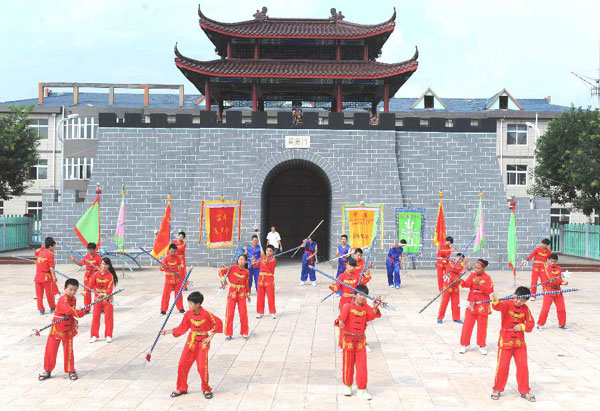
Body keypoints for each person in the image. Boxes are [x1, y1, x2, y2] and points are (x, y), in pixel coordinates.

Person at [161, 291, 223, 399]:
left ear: (198, 304)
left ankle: (206, 388)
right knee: (182, 364)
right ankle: (181, 388)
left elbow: (218, 323)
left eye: (190, 303)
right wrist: (169, 331)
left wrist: (210, 337)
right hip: (191, 342)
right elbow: (182, 327)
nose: (188, 305)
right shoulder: (188, 314)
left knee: (201, 367)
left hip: (202, 343)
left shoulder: (207, 314)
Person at [335, 284, 382, 401]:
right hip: (349, 340)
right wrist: (341, 322)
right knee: (348, 363)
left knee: (362, 366)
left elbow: (372, 316)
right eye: (360, 294)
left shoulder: (366, 307)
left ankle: (362, 389)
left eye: (364, 295)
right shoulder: (347, 306)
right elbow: (341, 319)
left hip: (361, 340)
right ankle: (348, 386)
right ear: (355, 295)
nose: (362, 297)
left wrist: (375, 308)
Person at [490, 286, 536, 402]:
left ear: (525, 301)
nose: (518, 301)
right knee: (502, 366)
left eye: (522, 300)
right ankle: (497, 389)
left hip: (519, 343)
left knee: (523, 367)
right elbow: (497, 306)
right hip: (505, 341)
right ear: (514, 294)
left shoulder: (525, 309)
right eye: (517, 298)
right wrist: (495, 299)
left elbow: (531, 323)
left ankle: (524, 390)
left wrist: (522, 326)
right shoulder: (506, 303)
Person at [38, 278, 86, 381]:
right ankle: (47, 370)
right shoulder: (62, 300)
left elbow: (69, 315)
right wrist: (82, 311)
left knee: (68, 350)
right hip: (57, 327)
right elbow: (69, 311)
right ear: (65, 289)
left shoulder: (74, 299)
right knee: (51, 350)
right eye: (70, 289)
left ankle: (71, 370)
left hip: (68, 327)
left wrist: (74, 321)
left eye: (75, 290)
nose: (72, 292)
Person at [329, 257, 371, 348]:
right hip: (345, 302)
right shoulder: (341, 276)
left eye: (353, 266)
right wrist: (333, 285)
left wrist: (367, 275)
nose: (351, 268)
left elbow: (364, 282)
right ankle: (342, 343)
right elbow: (336, 288)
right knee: (343, 322)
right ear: (346, 265)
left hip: (355, 301)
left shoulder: (358, 275)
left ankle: (362, 342)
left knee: (359, 321)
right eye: (350, 266)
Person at [459, 259, 493, 355]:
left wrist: (480, 285)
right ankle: (464, 344)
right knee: (467, 325)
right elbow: (466, 284)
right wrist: (460, 281)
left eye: (478, 268)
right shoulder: (472, 275)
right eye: (475, 268)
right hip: (472, 303)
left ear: (483, 268)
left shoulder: (488, 278)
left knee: (482, 326)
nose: (476, 270)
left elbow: (489, 291)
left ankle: (481, 345)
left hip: (483, 303)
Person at [219, 255, 250, 340]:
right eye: (239, 259)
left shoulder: (246, 272)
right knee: (230, 313)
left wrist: (247, 295)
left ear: (246, 262)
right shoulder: (232, 268)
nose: (241, 261)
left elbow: (247, 284)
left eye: (243, 260)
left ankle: (244, 332)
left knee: (243, 313)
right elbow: (221, 271)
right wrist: (223, 279)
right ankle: (228, 333)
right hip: (232, 292)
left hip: (242, 293)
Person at [89, 257, 118, 343]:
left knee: (108, 317)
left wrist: (105, 294)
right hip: (97, 299)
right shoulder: (96, 274)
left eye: (105, 264)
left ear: (108, 266)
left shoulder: (110, 276)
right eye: (102, 263)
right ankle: (94, 335)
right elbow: (91, 285)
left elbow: (110, 289)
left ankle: (108, 335)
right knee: (95, 317)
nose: (103, 266)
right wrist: (85, 291)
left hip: (108, 299)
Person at [537, 253, 568, 330]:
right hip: (549, 291)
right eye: (551, 261)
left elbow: (559, 279)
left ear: (556, 261)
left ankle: (562, 324)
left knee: (562, 308)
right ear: (549, 261)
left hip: (557, 291)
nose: (553, 263)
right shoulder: (546, 269)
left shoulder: (559, 268)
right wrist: (554, 280)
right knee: (545, 308)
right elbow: (549, 279)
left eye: (554, 261)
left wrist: (564, 282)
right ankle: (540, 324)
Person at [69, 242, 102, 312]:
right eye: (89, 249)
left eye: (92, 249)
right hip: (88, 276)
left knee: (97, 292)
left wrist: (98, 268)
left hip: (96, 276)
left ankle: (99, 307)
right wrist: (74, 260)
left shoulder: (98, 258)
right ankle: (87, 308)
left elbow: (102, 268)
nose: (90, 251)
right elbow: (80, 264)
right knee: (86, 292)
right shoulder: (86, 257)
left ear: (95, 249)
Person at [437, 253, 467, 324]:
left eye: (461, 260)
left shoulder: (461, 265)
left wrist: (459, 276)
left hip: (455, 286)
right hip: (448, 285)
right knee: (444, 303)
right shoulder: (450, 263)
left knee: (456, 303)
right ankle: (440, 317)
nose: (460, 261)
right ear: (456, 257)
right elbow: (450, 273)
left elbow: (459, 273)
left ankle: (456, 317)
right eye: (459, 259)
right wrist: (462, 265)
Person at [34, 237, 58, 314]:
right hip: (46, 277)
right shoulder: (50, 254)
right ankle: (52, 307)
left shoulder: (40, 252)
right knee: (49, 293)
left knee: (39, 294)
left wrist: (43, 247)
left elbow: (36, 251)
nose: (54, 248)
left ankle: (41, 309)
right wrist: (54, 277)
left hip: (38, 276)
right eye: (54, 246)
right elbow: (51, 267)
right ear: (50, 246)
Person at [160, 244, 185, 315]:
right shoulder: (165, 259)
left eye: (174, 251)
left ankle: (181, 308)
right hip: (168, 280)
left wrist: (180, 266)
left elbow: (182, 264)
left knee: (179, 294)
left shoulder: (178, 258)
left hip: (177, 279)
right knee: (166, 295)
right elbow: (161, 268)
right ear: (169, 250)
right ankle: (163, 310)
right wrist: (163, 267)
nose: (173, 253)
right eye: (172, 251)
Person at [255, 245, 277, 319]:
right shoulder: (261, 258)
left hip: (269, 280)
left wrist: (264, 257)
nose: (268, 252)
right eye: (267, 250)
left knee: (271, 296)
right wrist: (253, 260)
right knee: (260, 296)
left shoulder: (273, 259)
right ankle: (260, 312)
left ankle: (272, 312)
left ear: (273, 252)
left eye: (270, 251)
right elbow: (255, 265)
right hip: (261, 279)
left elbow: (269, 264)